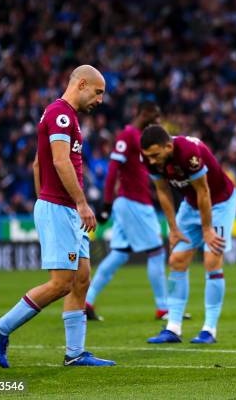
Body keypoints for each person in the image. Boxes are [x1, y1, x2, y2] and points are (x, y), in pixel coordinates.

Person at [0, 65, 115, 367]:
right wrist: (77, 203)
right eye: (98, 92)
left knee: (81, 279)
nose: (100, 100)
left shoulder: (66, 117)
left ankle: (75, 353)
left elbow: (36, 165)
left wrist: (52, 201)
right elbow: (58, 161)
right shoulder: (61, 114)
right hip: (63, 208)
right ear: (81, 84)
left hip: (63, 208)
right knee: (61, 283)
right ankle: (0, 328)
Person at [141, 125, 236, 344]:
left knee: (212, 260)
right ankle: (173, 328)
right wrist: (173, 228)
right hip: (191, 205)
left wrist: (207, 229)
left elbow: (204, 191)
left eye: (156, 155)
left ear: (168, 146)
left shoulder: (188, 153)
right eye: (149, 157)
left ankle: (209, 330)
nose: (153, 161)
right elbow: (162, 190)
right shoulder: (148, 157)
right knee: (176, 260)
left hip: (220, 203)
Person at [85, 101, 172, 321]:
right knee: (156, 252)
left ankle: (86, 300)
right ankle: (163, 308)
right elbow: (113, 169)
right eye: (156, 120)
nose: (157, 125)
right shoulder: (128, 135)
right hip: (134, 202)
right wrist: (106, 204)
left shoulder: (136, 137)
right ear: (145, 115)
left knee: (119, 254)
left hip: (131, 201)